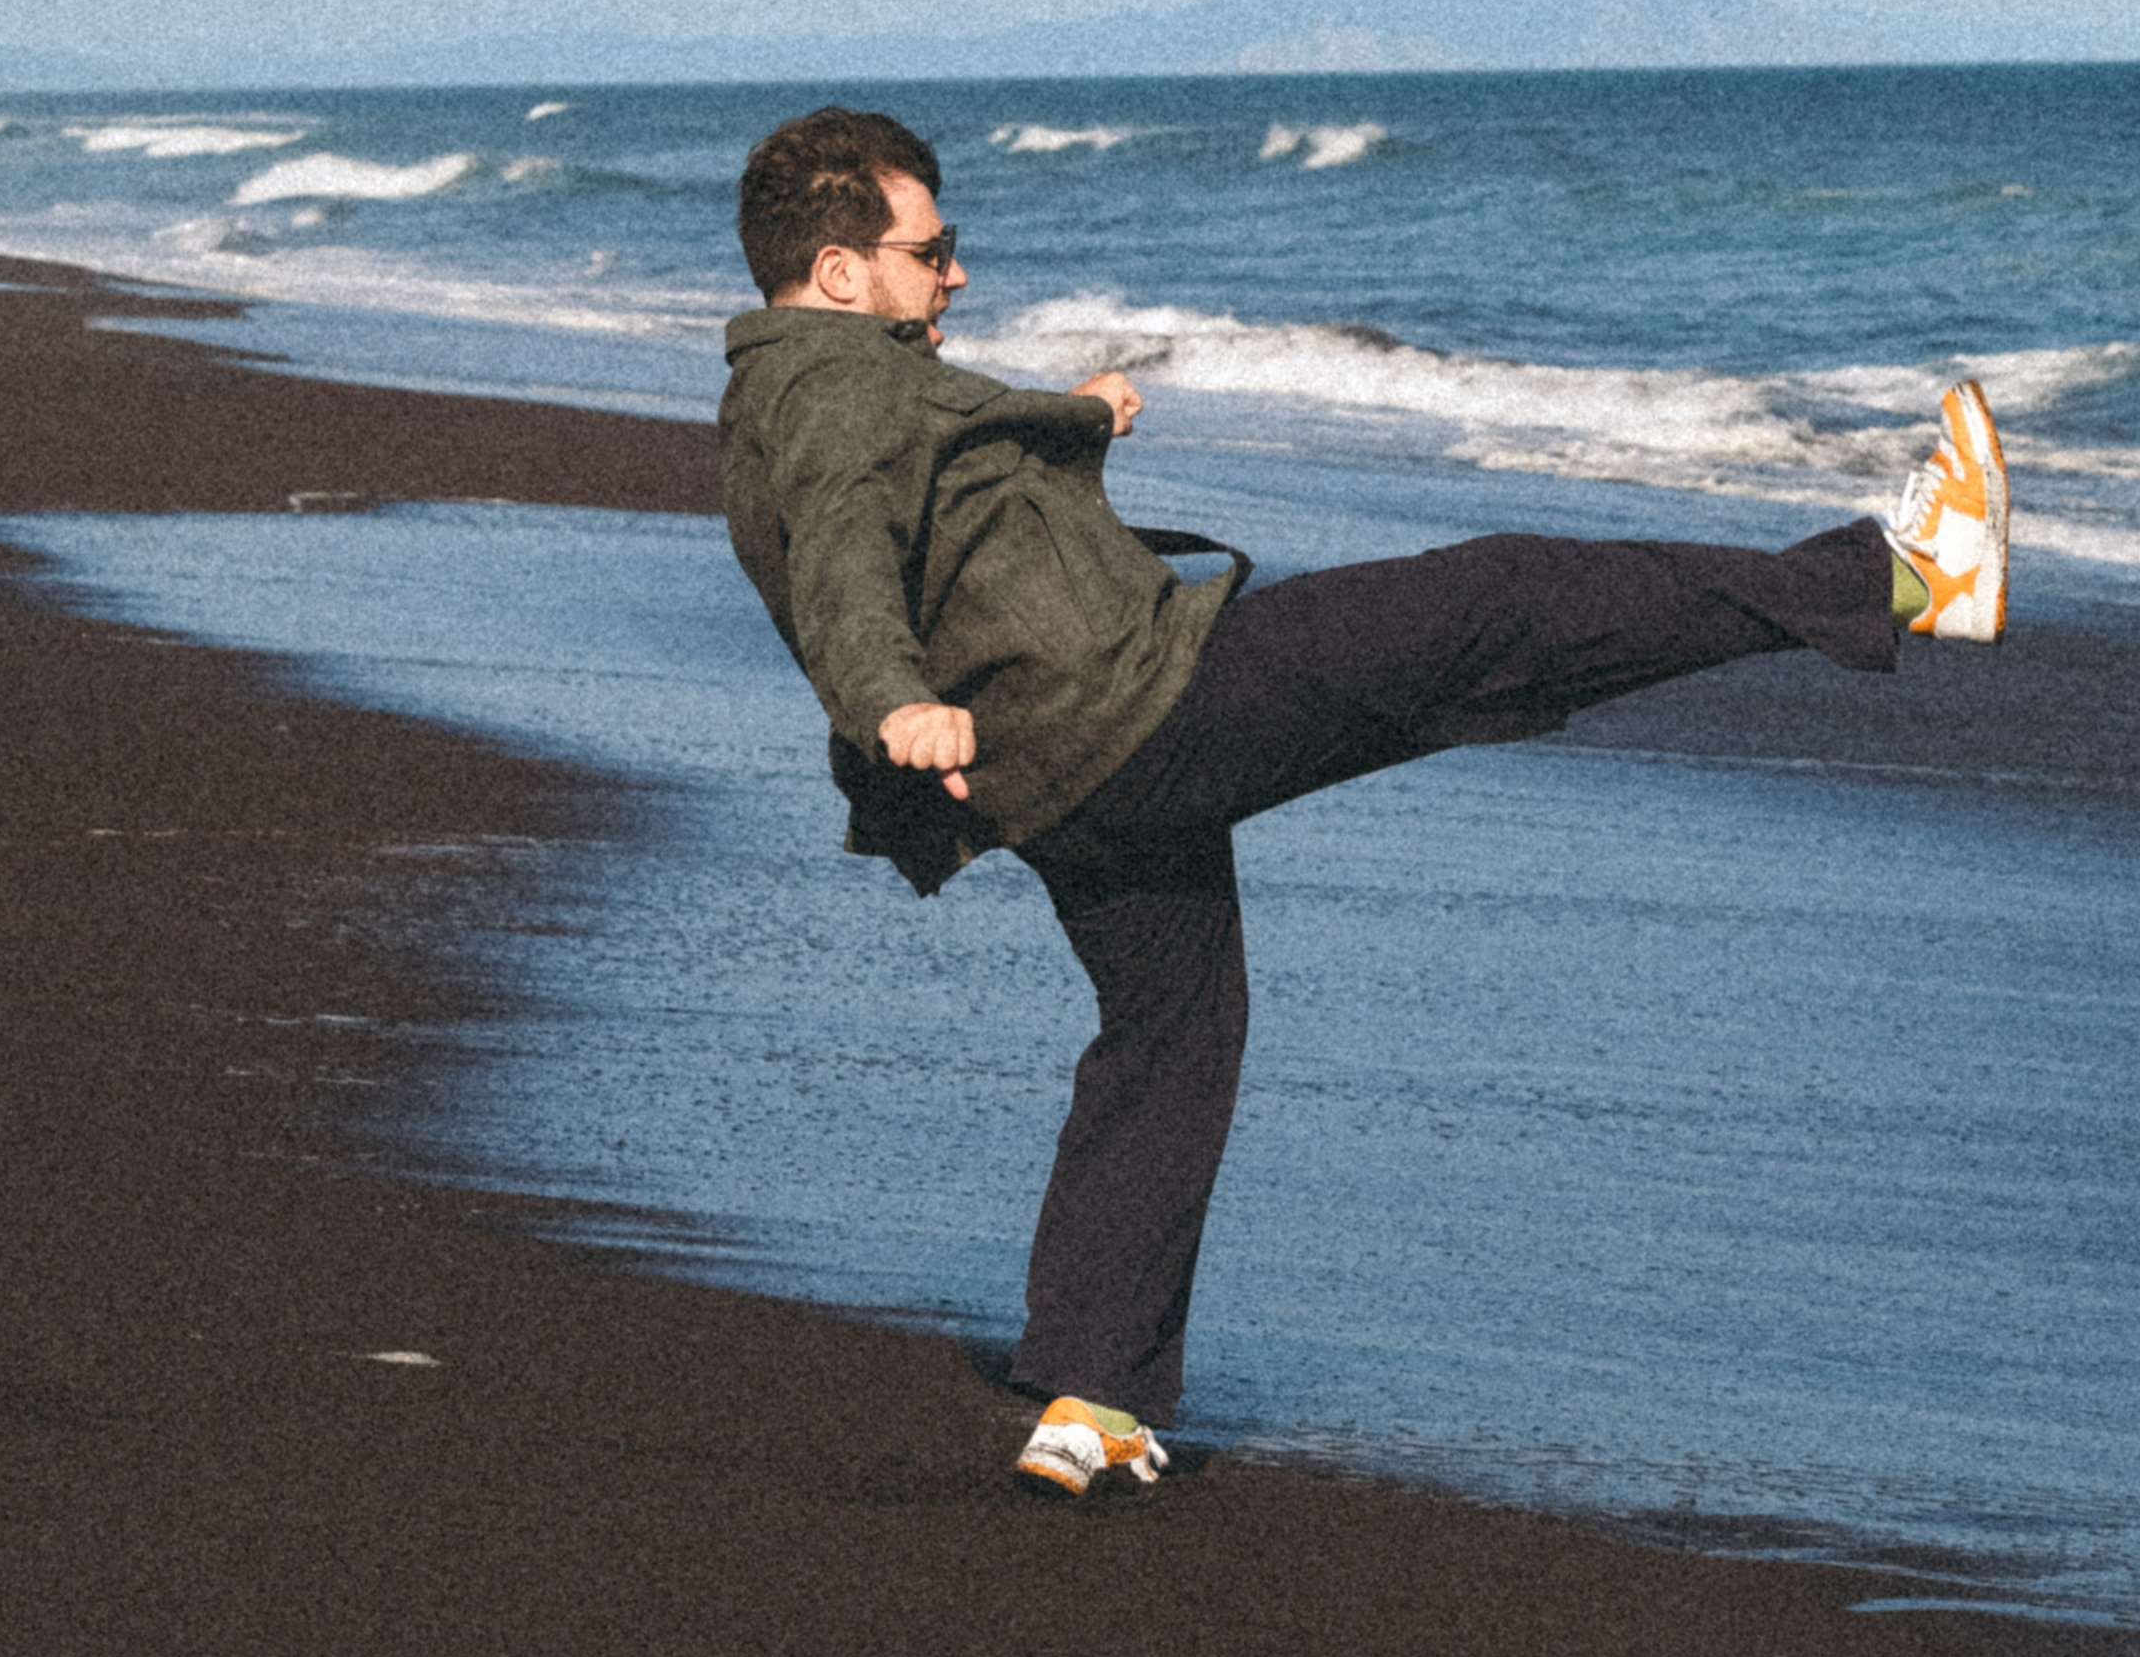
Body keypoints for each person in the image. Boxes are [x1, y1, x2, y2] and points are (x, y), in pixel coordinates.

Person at [716, 102, 2008, 1501]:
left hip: (1060, 779)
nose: (955, 273)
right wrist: (889, 700)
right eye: (931, 249)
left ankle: (1094, 1403)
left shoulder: (795, 393)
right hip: (1146, 709)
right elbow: (849, 558)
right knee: (1509, 596)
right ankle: (1907, 578)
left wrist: (1082, 417)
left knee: (1168, 1033)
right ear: (840, 273)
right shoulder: (836, 393)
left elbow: (931, 498)